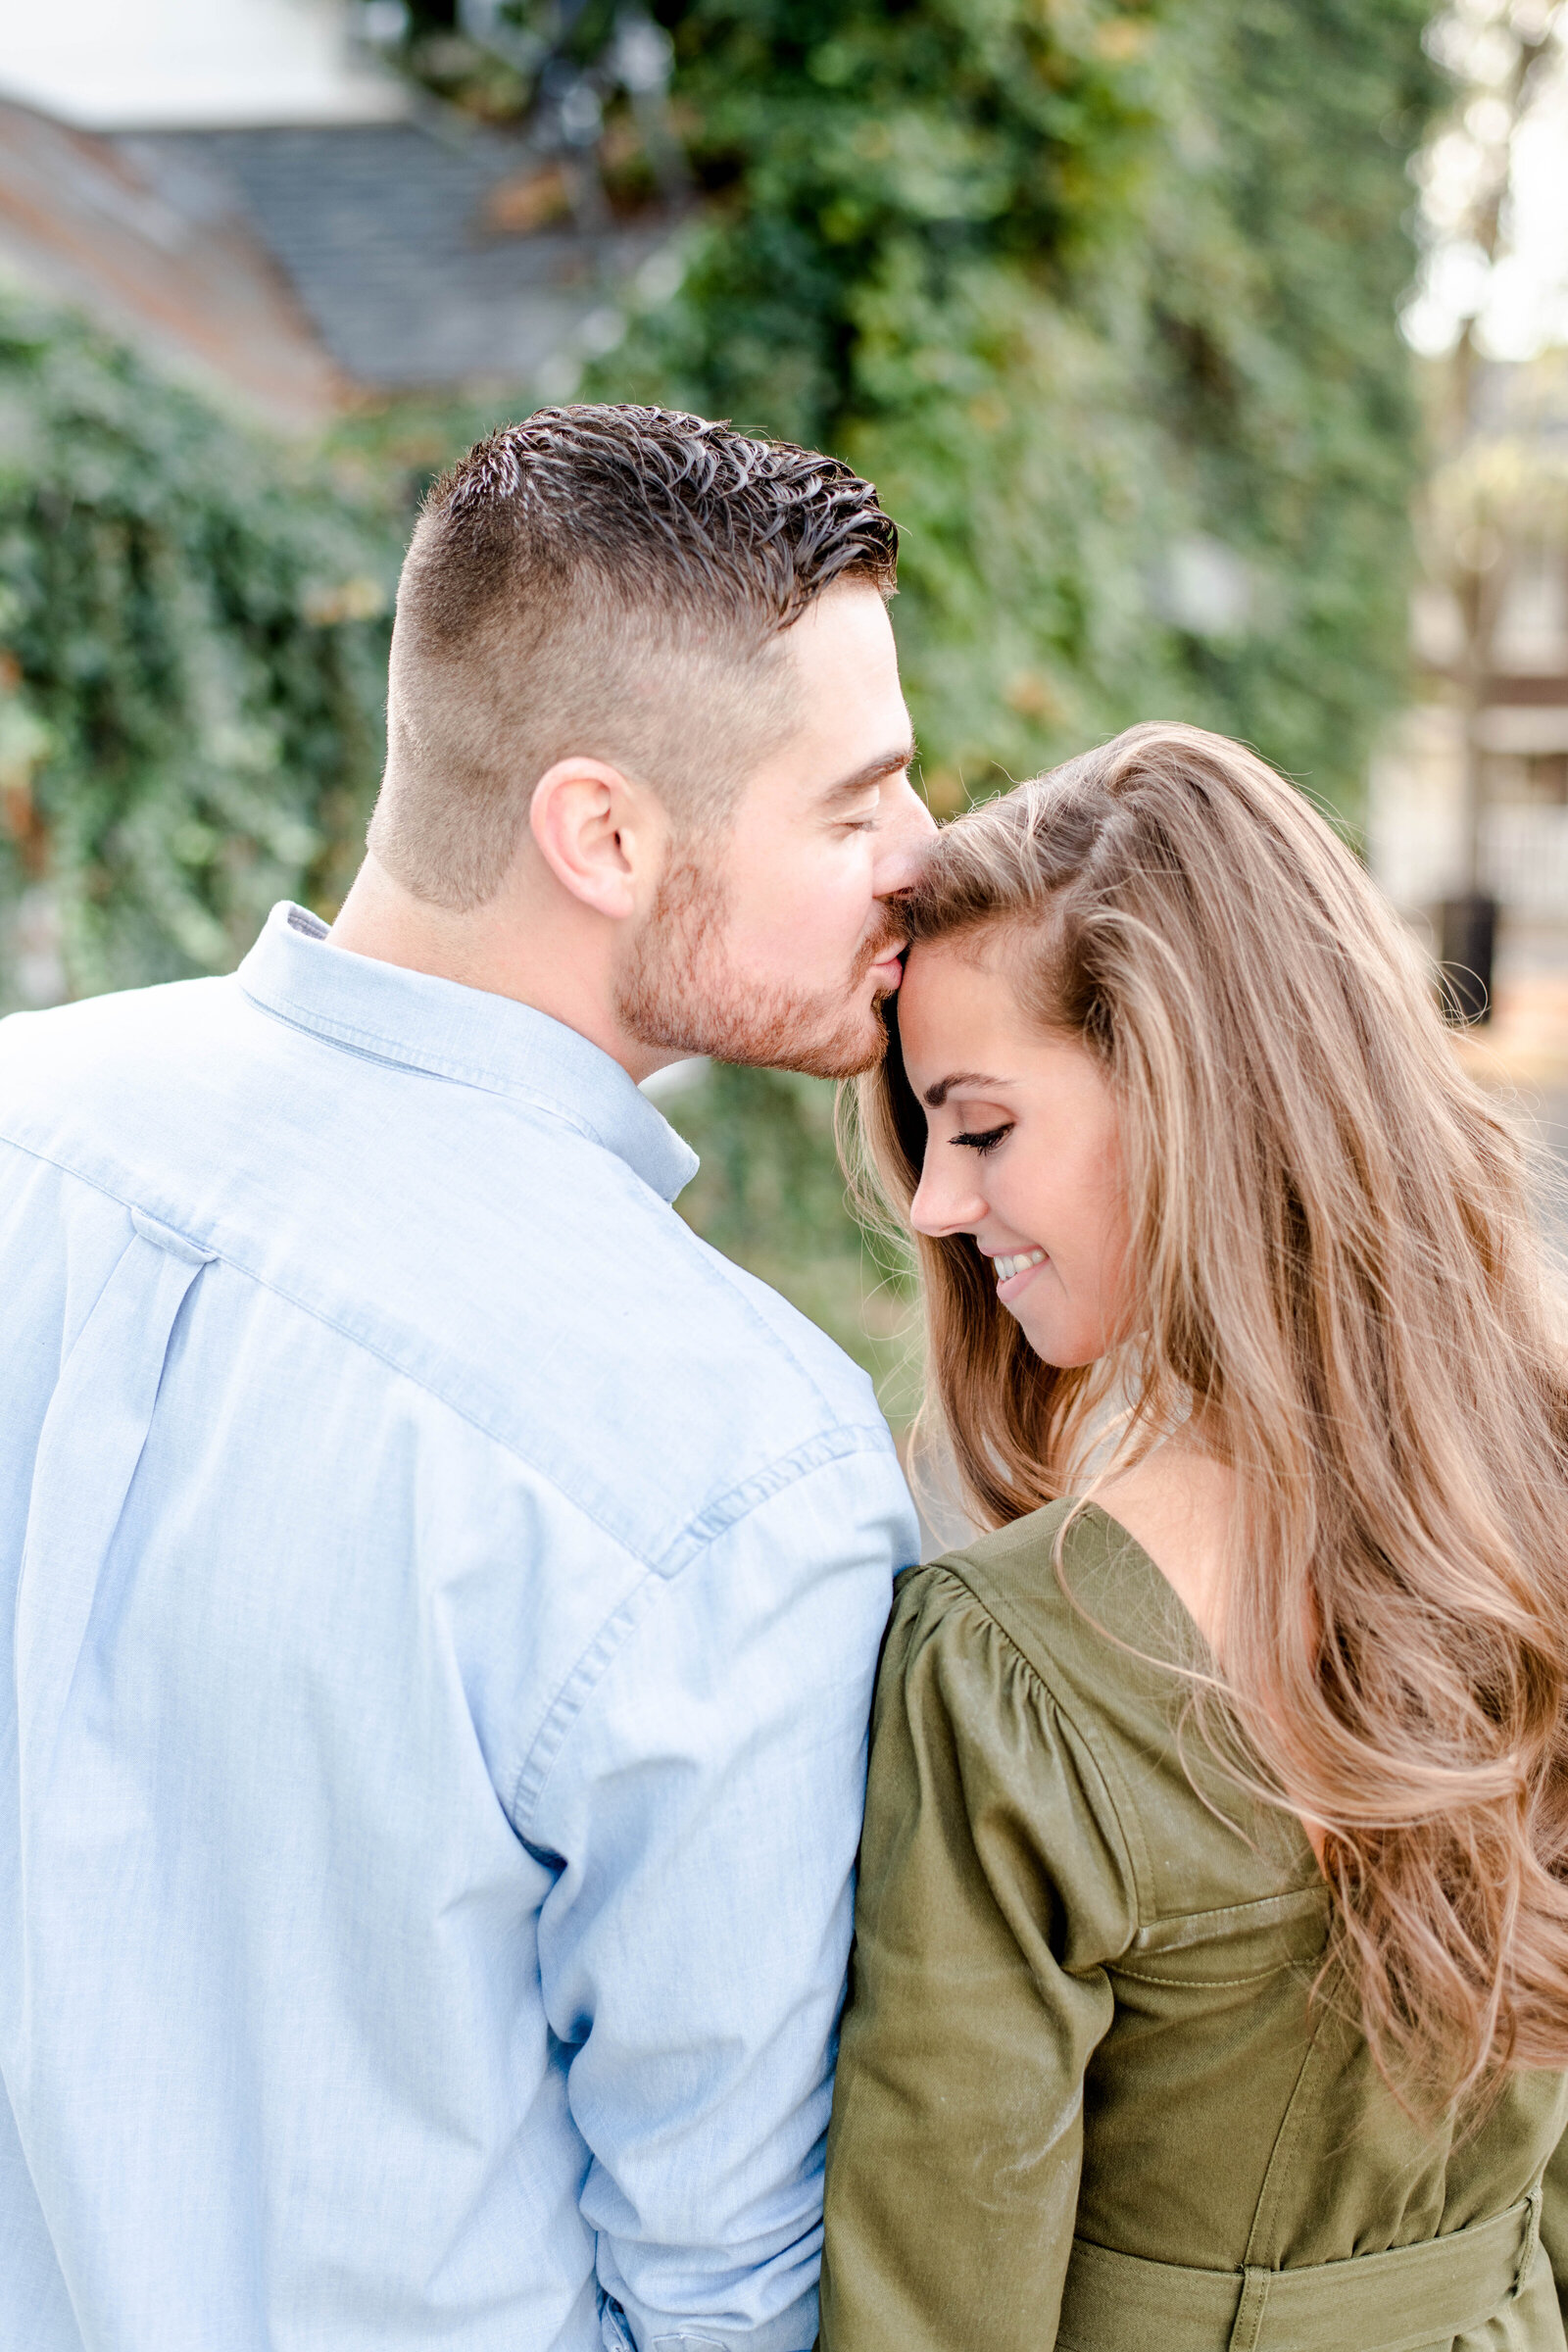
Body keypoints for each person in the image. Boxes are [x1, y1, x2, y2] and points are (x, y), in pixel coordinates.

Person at [0, 406, 931, 2352]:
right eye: (854, 809)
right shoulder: (737, 1463)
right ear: (601, 833)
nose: (922, 866)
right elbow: (724, 2286)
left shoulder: (24, 1120)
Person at [820, 720, 1568, 2352]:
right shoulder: (1544, 1500)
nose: (939, 1201)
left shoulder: (1012, 1671)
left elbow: (936, 2315)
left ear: (1184, 1094)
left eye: (984, 1124)